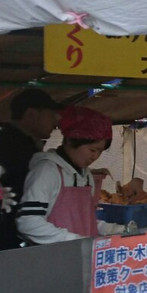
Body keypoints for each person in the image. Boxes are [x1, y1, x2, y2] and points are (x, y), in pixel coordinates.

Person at [16, 105, 125, 245]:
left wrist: (111, 229)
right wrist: (71, 240)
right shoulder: (47, 172)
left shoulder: (86, 176)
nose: (95, 156)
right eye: (92, 150)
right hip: (53, 259)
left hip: (82, 257)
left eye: (100, 151)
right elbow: (28, 222)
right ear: (70, 140)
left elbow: (85, 221)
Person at [0, 88, 63, 250]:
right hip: (8, 237)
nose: (56, 121)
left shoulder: (18, 140)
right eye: (51, 114)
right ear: (31, 115)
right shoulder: (14, 146)